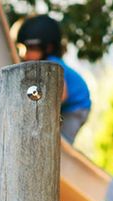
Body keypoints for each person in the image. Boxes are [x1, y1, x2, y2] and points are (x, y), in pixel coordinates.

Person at [12, 14, 92, 145]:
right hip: (71, 108)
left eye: (31, 48)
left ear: (47, 47)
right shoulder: (46, 65)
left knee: (60, 146)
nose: (25, 55)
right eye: (24, 48)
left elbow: (62, 94)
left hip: (76, 108)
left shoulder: (53, 65)